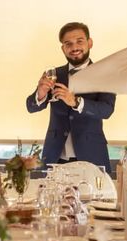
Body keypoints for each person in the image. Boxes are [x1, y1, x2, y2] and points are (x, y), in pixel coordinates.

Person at [26, 22, 115, 170]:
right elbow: (31, 107)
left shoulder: (105, 75)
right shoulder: (53, 74)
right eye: (68, 44)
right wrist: (40, 94)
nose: (74, 48)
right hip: (55, 157)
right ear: (63, 48)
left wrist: (76, 102)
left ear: (90, 43)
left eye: (79, 41)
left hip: (91, 156)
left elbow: (107, 110)